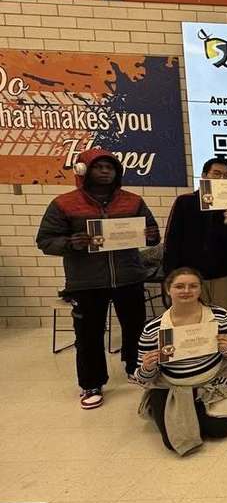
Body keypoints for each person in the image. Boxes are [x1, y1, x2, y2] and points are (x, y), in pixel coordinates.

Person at [36, 148, 160, 409]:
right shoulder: (64, 203)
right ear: (83, 170)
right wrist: (71, 243)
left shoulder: (133, 201)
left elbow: (152, 233)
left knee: (136, 328)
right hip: (87, 282)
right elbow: (45, 241)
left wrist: (149, 236)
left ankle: (135, 367)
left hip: (129, 276)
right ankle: (91, 383)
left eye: (110, 168)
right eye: (99, 167)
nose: (105, 172)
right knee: (89, 335)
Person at [134, 267, 227, 455]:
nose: (186, 291)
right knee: (174, 442)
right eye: (179, 286)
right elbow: (143, 377)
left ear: (201, 289)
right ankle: (163, 405)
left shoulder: (220, 317)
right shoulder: (153, 328)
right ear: (168, 289)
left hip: (212, 381)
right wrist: (147, 366)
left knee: (222, 429)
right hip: (171, 386)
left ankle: (192, 409)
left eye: (193, 286)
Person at [163, 158, 227, 342]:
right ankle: (197, 358)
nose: (222, 178)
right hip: (190, 275)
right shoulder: (185, 202)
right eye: (217, 173)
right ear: (204, 176)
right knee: (192, 319)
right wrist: (171, 275)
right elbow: (172, 239)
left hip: (225, 273)